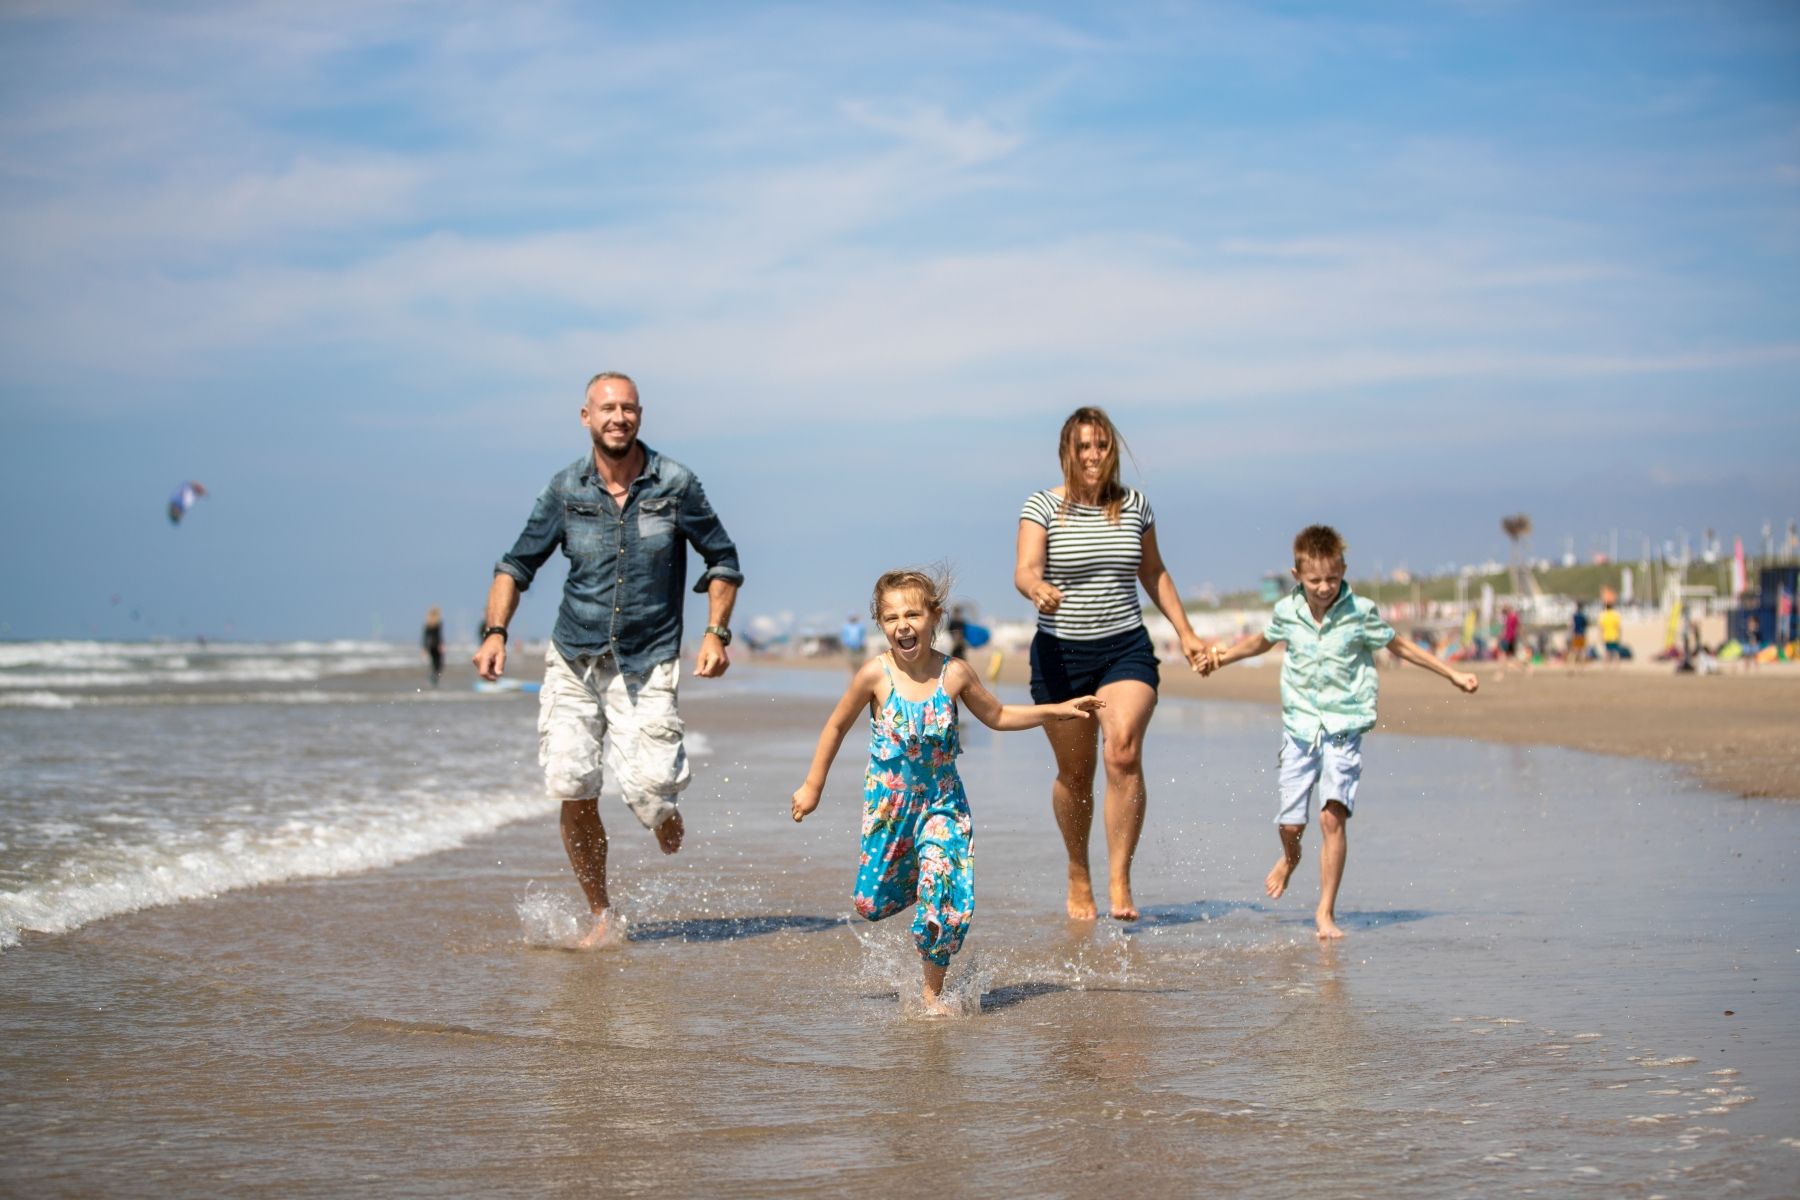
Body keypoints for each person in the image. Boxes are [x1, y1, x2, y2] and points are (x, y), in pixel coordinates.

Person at [474, 372, 743, 948]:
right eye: (607, 408)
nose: (618, 417)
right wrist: (496, 631)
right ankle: (601, 912)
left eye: (628, 408)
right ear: (586, 417)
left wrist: (716, 632)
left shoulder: (675, 483)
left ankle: (660, 807)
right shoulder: (565, 489)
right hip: (574, 656)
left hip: (648, 660)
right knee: (573, 782)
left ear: (639, 416)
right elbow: (514, 565)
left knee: (648, 791)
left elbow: (721, 558)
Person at [790, 569, 1102, 1015]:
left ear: (934, 617)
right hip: (890, 810)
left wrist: (1058, 710)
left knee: (944, 904)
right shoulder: (873, 676)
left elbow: (997, 715)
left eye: (913, 613)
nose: (903, 624)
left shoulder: (954, 675)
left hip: (942, 807)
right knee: (869, 904)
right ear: (880, 623)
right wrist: (812, 786)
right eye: (892, 616)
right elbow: (836, 725)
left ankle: (932, 991)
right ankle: (926, 879)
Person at [1201, 525, 1477, 939]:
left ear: (1344, 570)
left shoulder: (1360, 612)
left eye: (1333, 578)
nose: (1325, 587)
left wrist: (1452, 673)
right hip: (1299, 727)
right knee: (1291, 824)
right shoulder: (1287, 613)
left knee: (1333, 817)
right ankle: (1290, 858)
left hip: (1344, 726)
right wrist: (1221, 658)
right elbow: (1260, 643)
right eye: (1315, 580)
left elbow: (1398, 645)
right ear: (1297, 576)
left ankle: (1325, 912)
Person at [1013, 406, 1210, 921]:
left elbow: (1155, 572)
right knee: (1075, 775)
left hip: (1125, 648)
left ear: (1112, 450)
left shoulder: (1135, 506)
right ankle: (1079, 870)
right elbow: (1025, 568)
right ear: (1067, 453)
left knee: (1122, 751)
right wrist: (1037, 587)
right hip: (1060, 656)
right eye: (1083, 447)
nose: (1093, 455)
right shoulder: (1043, 506)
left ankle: (1120, 876)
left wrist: (1186, 634)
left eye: (1101, 445)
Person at [421, 606, 445, 687]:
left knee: (434, 664)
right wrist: (441, 645)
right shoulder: (438, 623)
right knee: (439, 664)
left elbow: (425, 637)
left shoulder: (428, 623)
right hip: (436, 645)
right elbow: (439, 636)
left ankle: (433, 678)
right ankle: (434, 678)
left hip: (430, 646)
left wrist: (424, 648)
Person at [1598, 598, 1624, 667]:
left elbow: (1601, 627)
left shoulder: (1603, 615)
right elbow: (1618, 627)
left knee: (1607, 651)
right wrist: (1620, 635)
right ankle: (1617, 665)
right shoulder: (1615, 615)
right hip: (1614, 635)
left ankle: (1605, 666)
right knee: (1615, 652)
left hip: (1606, 636)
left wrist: (1600, 636)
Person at [1567, 601, 1590, 669]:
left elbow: (1570, 625)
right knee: (1582, 651)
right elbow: (1586, 626)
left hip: (1575, 634)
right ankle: (1582, 667)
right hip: (1582, 634)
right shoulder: (1583, 616)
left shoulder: (1574, 615)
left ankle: (1572, 666)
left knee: (1574, 651)